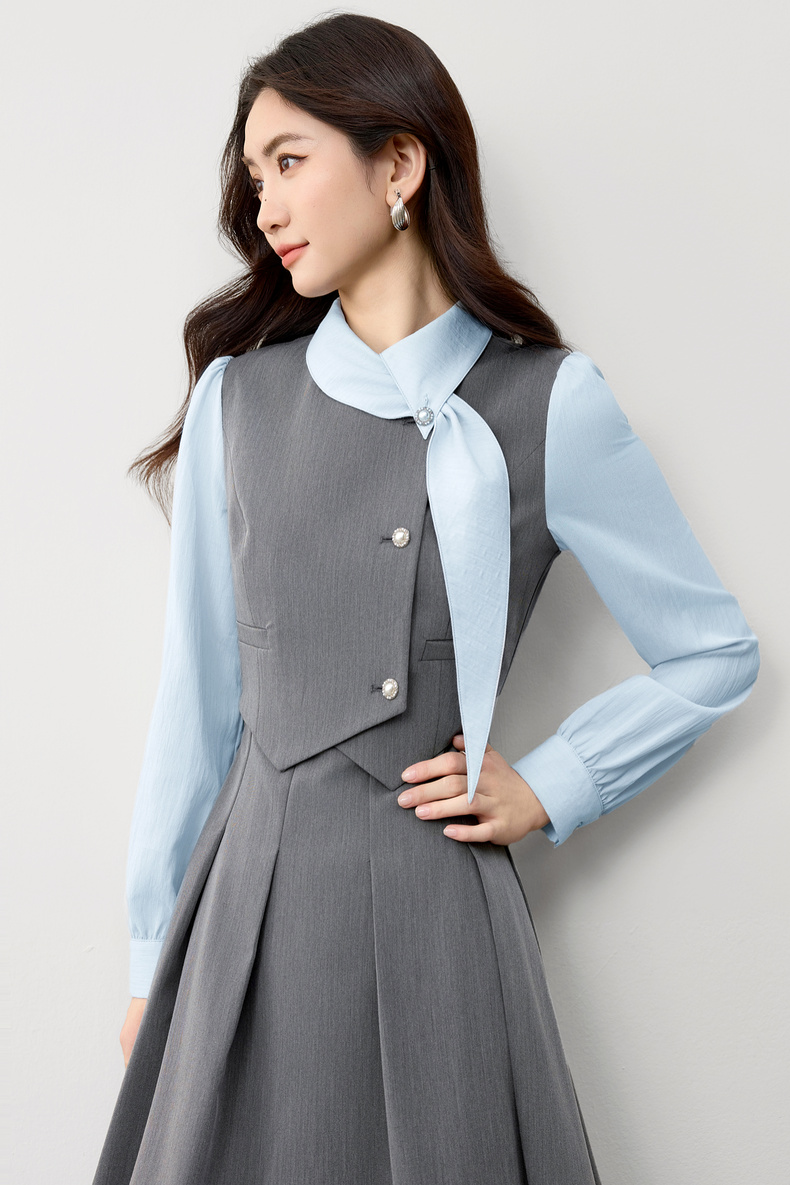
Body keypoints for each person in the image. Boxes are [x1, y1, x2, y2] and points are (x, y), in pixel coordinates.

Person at [92, 12, 759, 1185]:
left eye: (288, 161)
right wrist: (155, 959)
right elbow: (196, 702)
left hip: (434, 907)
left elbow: (713, 650)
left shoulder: (550, 401)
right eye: (254, 178)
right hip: (250, 908)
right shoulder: (238, 402)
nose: (265, 206)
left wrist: (549, 783)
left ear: (397, 163)